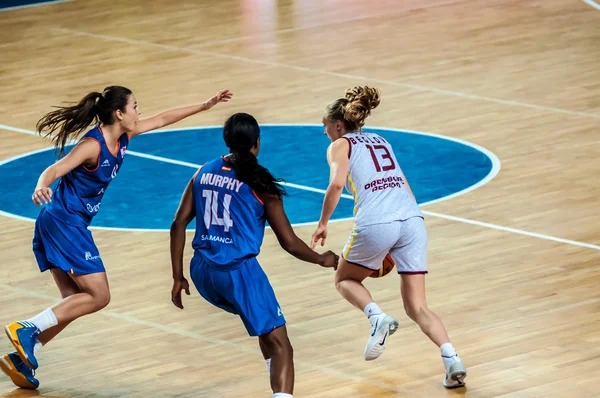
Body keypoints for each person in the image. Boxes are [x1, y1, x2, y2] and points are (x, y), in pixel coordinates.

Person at [1, 86, 232, 390]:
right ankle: (27, 328)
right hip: (64, 222)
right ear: (119, 114)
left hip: (61, 224)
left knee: (74, 301)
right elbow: (56, 168)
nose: (139, 111)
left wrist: (205, 105)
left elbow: (163, 119)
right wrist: (40, 186)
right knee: (99, 295)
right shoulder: (92, 145)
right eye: (135, 106)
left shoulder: (124, 136)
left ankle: (20, 358)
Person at [170, 112, 338, 398]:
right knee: (281, 344)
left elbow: (178, 224)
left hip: (202, 271)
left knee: (266, 333)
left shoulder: (203, 171)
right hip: (237, 274)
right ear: (257, 143)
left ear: (227, 140)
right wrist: (322, 259)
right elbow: (289, 242)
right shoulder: (261, 184)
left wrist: (177, 277)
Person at [310, 86, 467, 388]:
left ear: (338, 125)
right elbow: (405, 186)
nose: (325, 131)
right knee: (418, 306)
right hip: (412, 219)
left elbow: (336, 185)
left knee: (344, 279)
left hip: (376, 221)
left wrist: (323, 223)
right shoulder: (382, 141)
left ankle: (377, 317)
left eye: (325, 125)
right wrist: (400, 236)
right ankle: (452, 359)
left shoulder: (339, 145)